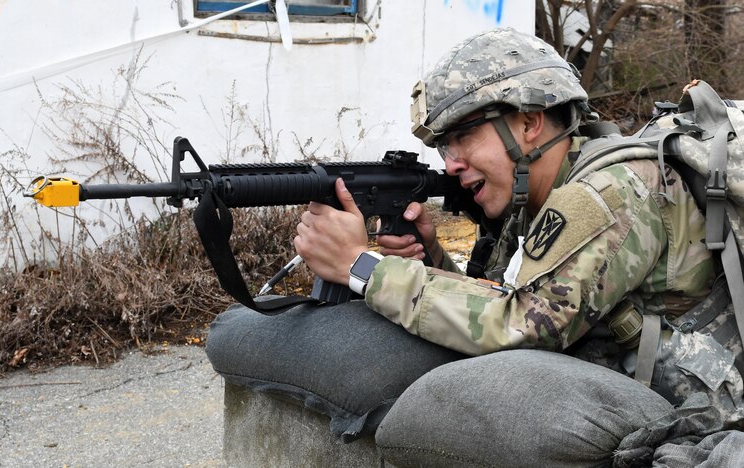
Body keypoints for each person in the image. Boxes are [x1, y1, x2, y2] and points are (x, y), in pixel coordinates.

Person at [293, 28, 743, 415]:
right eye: (444, 149)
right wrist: (431, 257)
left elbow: (522, 330)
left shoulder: (607, 193)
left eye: (462, 136)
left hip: (708, 403)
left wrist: (361, 267)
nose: (450, 165)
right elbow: (501, 298)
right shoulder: (536, 201)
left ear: (529, 123)